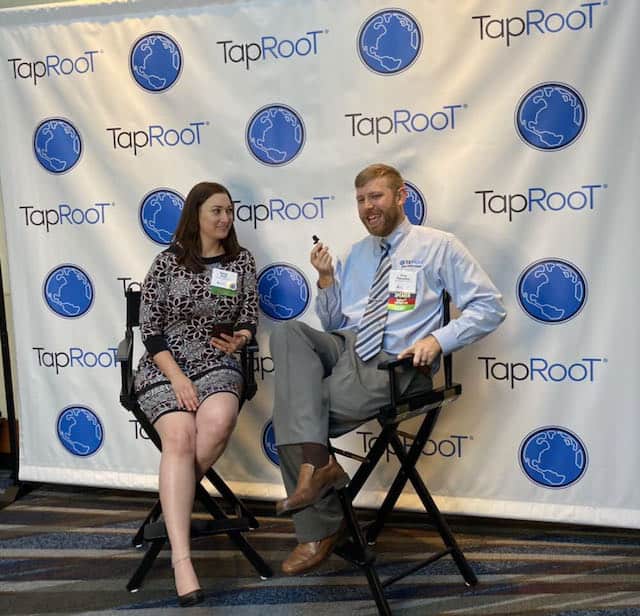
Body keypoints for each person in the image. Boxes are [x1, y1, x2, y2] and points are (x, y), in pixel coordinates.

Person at [270, 163, 506, 575]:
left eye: (376, 196)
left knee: (294, 409)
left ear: (401, 197)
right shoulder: (355, 254)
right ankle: (320, 467)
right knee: (288, 332)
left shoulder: (439, 246)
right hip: (350, 348)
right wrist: (326, 280)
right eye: (361, 199)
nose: (368, 207)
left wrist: (438, 340)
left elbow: (490, 307)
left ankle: (318, 529)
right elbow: (334, 323)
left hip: (398, 364)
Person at [134, 181, 258, 606]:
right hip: (165, 365)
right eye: (216, 211)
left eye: (229, 211)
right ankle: (181, 559)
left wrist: (241, 338)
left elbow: (248, 316)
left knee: (218, 422)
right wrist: (177, 379)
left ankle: (170, 505)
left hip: (218, 361)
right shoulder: (167, 262)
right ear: (196, 215)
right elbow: (150, 329)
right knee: (180, 437)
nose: (225, 219)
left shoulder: (241, 261)